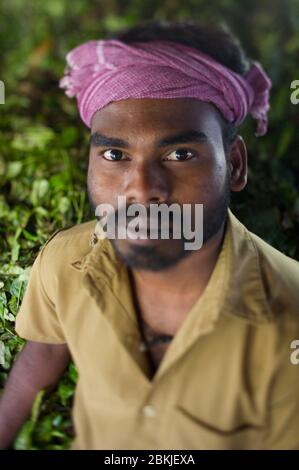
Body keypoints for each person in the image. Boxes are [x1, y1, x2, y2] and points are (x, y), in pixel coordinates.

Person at [0, 20, 298, 450]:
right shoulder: (62, 263)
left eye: (180, 154)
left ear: (234, 165)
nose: (141, 188)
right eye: (115, 154)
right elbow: (42, 354)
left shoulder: (289, 318)